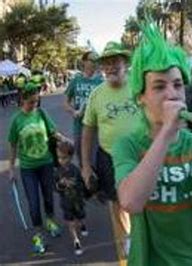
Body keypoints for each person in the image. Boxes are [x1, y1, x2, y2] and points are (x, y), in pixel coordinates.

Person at [112, 22, 192, 266]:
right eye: (159, 86)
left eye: (178, 84)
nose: (172, 94)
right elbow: (130, 202)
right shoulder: (127, 145)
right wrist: (166, 132)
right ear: (141, 97)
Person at [81, 41, 139, 254]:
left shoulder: (139, 85)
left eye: (115, 61)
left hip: (141, 156)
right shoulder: (96, 94)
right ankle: (128, 238)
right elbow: (87, 132)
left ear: (125, 63)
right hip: (109, 158)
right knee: (118, 201)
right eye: (106, 63)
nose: (111, 67)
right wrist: (86, 167)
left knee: (145, 199)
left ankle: (143, 235)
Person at [7, 83, 65, 254]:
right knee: (33, 203)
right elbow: (12, 145)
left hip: (46, 163)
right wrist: (11, 168)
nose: (35, 105)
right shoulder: (17, 120)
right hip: (27, 168)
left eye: (36, 101)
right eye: (31, 102)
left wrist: (63, 138)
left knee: (48, 197)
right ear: (23, 100)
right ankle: (38, 234)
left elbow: (53, 132)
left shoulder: (41, 114)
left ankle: (50, 221)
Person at [64, 51, 103, 166]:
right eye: (91, 60)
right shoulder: (76, 80)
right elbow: (65, 103)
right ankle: (84, 179)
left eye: (96, 61)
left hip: (96, 127)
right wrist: (74, 112)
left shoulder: (101, 82)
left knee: (94, 159)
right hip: (79, 125)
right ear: (84, 62)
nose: (94, 63)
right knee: (81, 157)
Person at [55, 140, 88, 255]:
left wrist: (74, 184)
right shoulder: (57, 172)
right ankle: (76, 241)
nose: (61, 161)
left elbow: (82, 185)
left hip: (77, 201)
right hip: (66, 202)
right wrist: (61, 185)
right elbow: (55, 188)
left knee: (80, 217)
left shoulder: (75, 170)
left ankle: (82, 224)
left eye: (63, 158)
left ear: (70, 157)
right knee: (70, 222)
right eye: (59, 158)